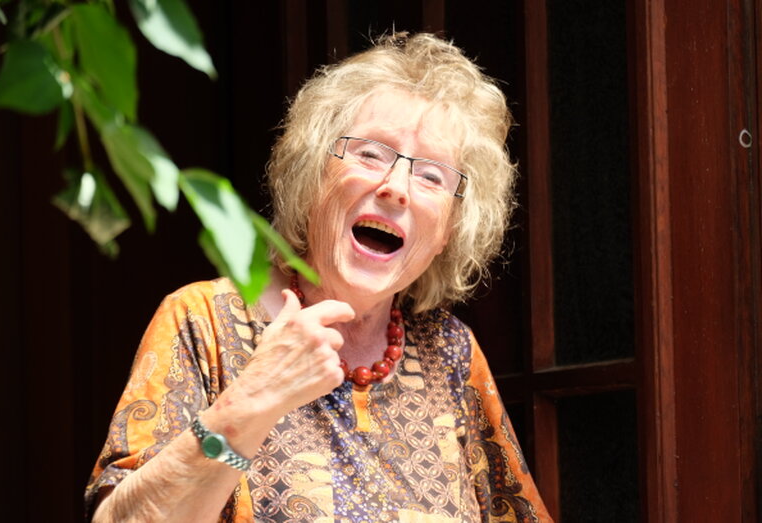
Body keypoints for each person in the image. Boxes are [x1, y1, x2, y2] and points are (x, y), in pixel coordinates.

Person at [85, 32, 552, 522]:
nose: (396, 188)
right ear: (314, 176)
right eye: (371, 154)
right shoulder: (203, 321)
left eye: (431, 176)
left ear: (448, 232)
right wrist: (251, 401)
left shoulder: (450, 352)